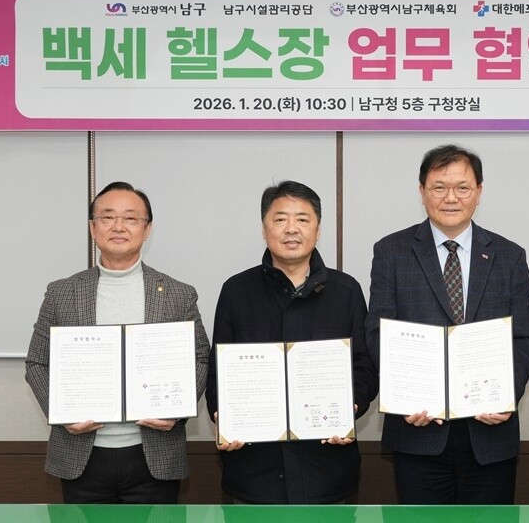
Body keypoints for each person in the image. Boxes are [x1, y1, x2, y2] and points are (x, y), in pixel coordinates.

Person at [365, 144, 529, 504]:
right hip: (417, 429)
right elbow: (378, 331)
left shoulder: (509, 255)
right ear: (421, 191)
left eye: (462, 187)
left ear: (479, 191)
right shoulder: (391, 252)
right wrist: (405, 394)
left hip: (490, 433)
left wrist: (505, 396)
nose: (450, 198)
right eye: (439, 187)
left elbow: (524, 337)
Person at [25, 181, 209, 504]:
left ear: (147, 229)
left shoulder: (178, 294)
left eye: (131, 218)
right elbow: (37, 362)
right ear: (92, 228)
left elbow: (200, 358)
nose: (119, 226)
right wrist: (62, 413)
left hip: (154, 455)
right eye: (108, 217)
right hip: (82, 456)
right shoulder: (61, 292)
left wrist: (176, 411)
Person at [205, 180, 378, 504]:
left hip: (327, 469)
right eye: (280, 219)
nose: (291, 229)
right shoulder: (236, 291)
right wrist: (223, 416)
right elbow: (218, 372)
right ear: (264, 229)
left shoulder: (346, 291)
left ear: (318, 230)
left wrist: (349, 408)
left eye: (302, 219)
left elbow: (364, 367)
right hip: (254, 472)